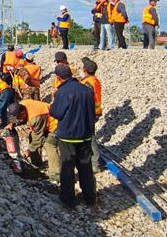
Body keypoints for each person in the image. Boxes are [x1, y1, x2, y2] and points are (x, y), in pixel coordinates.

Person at [49, 64, 96, 208]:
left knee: (67, 167)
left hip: (68, 135)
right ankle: (90, 198)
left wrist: (53, 99)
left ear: (59, 77)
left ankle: (67, 199)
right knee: (86, 167)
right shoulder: (86, 89)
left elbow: (56, 113)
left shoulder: (62, 92)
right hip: (86, 134)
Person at [9, 100, 57, 180]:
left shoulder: (36, 117)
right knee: (32, 136)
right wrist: (12, 123)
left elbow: (38, 138)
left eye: (18, 118)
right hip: (43, 121)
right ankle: (36, 164)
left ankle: (56, 174)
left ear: (23, 113)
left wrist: (29, 150)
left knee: (50, 144)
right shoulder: (22, 104)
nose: (18, 120)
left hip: (56, 125)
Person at [80, 57, 103, 172]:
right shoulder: (95, 80)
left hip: (89, 113)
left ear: (85, 69)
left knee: (90, 136)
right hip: (95, 111)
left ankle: (95, 162)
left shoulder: (87, 83)